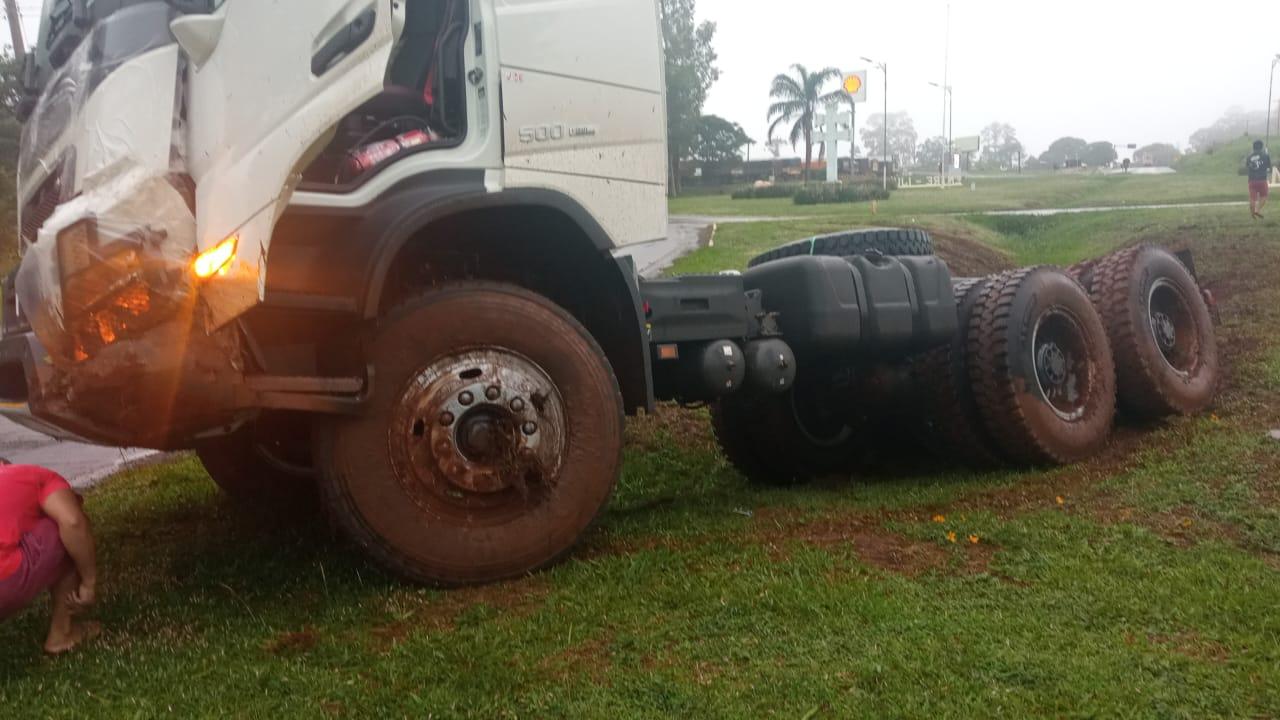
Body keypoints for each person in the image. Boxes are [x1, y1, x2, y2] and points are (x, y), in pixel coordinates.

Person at [0, 459, 99, 653]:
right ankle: (62, 634)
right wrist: (89, 582)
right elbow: (73, 522)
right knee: (66, 530)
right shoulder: (35, 475)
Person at [1246, 140, 1272, 220]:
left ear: (1253, 147)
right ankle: (1257, 210)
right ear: (1262, 146)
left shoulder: (1249, 156)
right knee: (1264, 196)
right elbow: (1269, 167)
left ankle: (1252, 213)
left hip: (1252, 180)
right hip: (1262, 180)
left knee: (1252, 198)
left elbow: (1247, 166)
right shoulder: (1265, 155)